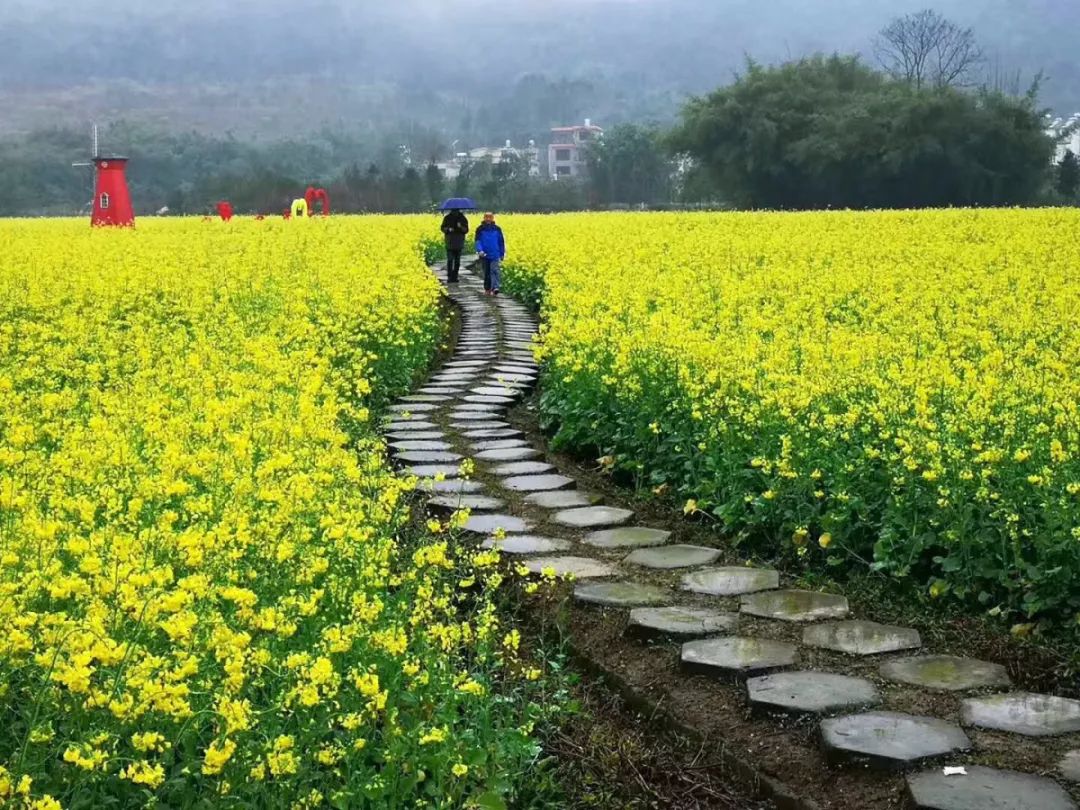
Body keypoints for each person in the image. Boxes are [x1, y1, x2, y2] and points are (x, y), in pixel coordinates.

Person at [474, 212, 506, 295]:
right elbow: (478, 241)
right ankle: (487, 289)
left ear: (493, 218)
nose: (488, 219)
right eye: (486, 217)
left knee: (495, 271)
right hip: (484, 254)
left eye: (490, 217)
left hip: (495, 253)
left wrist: (502, 253)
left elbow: (501, 242)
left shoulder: (497, 229)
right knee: (487, 272)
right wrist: (479, 250)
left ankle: (495, 287)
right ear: (484, 218)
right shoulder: (480, 229)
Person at [440, 208, 469, 283]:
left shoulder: (462, 218)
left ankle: (455, 276)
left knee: (457, 261)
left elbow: (466, 230)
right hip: (450, 242)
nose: (455, 212)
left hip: (459, 242)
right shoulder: (447, 218)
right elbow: (442, 228)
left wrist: (460, 227)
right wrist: (448, 229)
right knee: (450, 260)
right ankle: (450, 277)